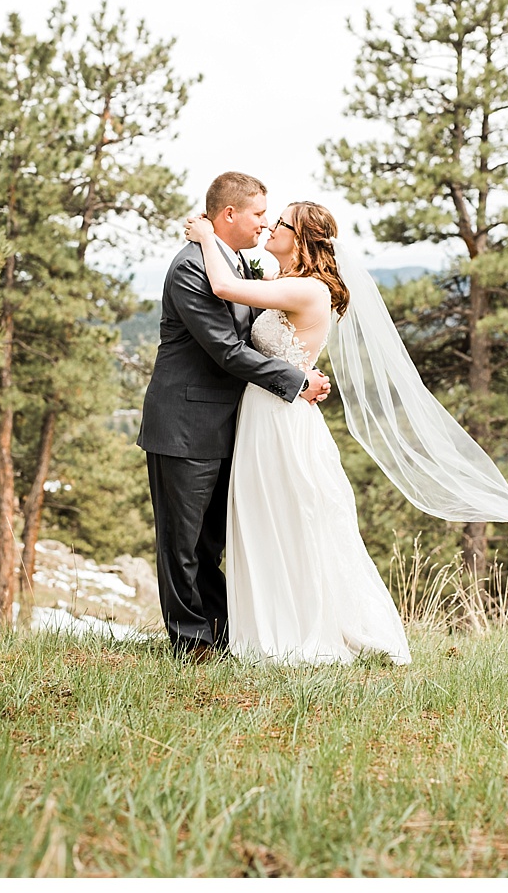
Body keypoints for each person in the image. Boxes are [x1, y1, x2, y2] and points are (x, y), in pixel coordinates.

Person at [183, 200, 508, 665]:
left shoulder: (309, 290)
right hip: (266, 412)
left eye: (282, 222)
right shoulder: (281, 282)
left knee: (290, 520)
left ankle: (295, 631)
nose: (271, 226)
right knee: (263, 518)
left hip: (281, 421)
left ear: (303, 237)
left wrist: (207, 235)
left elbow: (225, 286)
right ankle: (260, 625)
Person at [138, 172, 330, 661]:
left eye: (271, 217)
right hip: (184, 425)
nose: (265, 225)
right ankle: (190, 642)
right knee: (180, 543)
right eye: (259, 214)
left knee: (211, 544)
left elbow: (253, 334)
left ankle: (223, 633)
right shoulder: (190, 267)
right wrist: (294, 380)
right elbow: (225, 350)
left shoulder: (238, 262)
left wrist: (297, 367)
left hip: (233, 427)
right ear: (229, 215)